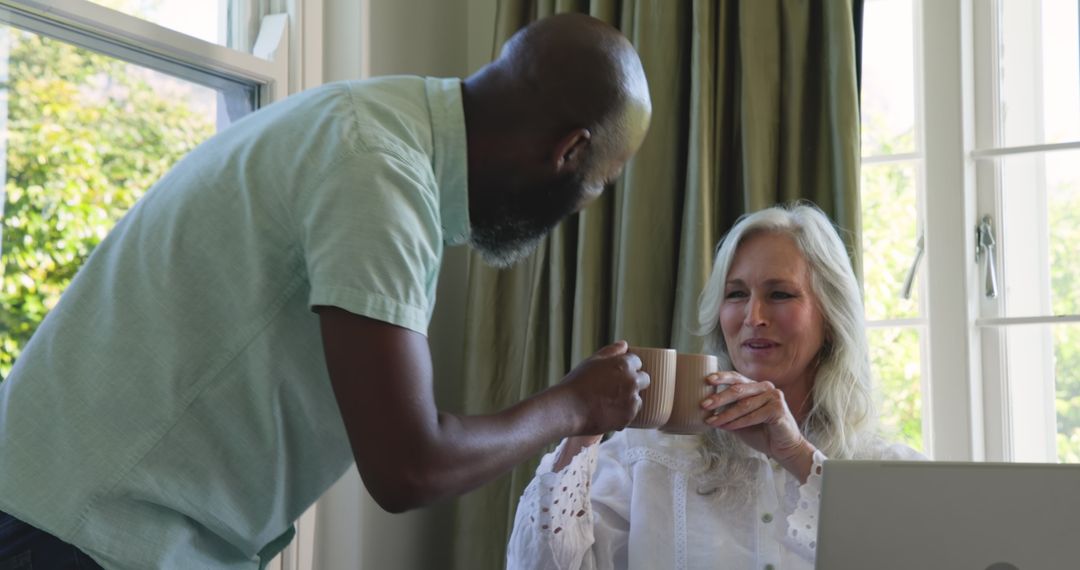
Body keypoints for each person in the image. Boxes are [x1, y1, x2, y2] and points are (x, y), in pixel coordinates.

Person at [0, 13, 653, 569]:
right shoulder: (379, 174)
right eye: (601, 183)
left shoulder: (371, 126)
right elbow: (410, 467)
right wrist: (573, 405)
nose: (585, 205)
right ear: (570, 151)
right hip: (75, 538)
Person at [506, 202, 926, 569]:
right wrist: (583, 429)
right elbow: (537, 566)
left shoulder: (888, 470)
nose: (753, 316)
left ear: (832, 318)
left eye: (779, 294)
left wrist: (798, 457)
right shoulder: (646, 456)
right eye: (736, 294)